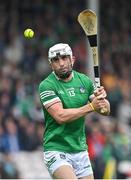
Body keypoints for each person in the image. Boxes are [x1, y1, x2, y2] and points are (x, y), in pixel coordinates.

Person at [38, 43, 110, 179]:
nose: (61, 63)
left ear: (72, 59)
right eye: (56, 60)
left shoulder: (84, 81)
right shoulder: (46, 85)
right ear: (50, 64)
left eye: (64, 58)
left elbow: (106, 110)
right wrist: (91, 106)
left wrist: (102, 99)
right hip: (56, 149)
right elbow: (60, 116)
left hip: (80, 149)